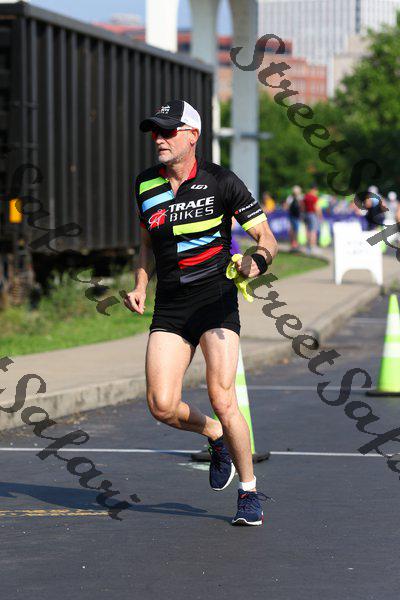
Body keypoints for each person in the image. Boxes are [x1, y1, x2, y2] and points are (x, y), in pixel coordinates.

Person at [124, 99, 278, 526]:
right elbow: (146, 244)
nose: (159, 138)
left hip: (215, 300)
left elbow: (266, 236)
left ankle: (249, 491)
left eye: (168, 131)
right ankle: (214, 435)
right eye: (155, 131)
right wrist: (140, 285)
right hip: (171, 305)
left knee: (222, 397)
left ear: (192, 135)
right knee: (161, 404)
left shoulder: (221, 181)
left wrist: (257, 261)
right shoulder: (145, 184)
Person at [302, 185, 322, 253]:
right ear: (314, 190)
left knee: (308, 231)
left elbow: (302, 206)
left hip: (306, 214)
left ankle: (308, 247)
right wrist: (320, 216)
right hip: (313, 215)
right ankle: (313, 246)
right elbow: (316, 207)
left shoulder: (305, 196)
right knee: (313, 231)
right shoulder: (314, 197)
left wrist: (303, 214)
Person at [284, 185, 303, 251]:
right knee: (295, 230)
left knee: (294, 230)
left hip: (294, 216)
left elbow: (286, 207)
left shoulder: (291, 198)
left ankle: (294, 243)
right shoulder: (298, 197)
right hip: (294, 216)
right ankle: (294, 244)